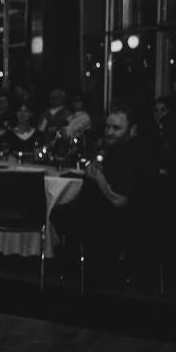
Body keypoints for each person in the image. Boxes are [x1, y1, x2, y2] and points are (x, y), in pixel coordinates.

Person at [51, 107, 160, 282]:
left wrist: (98, 177)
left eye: (116, 128)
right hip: (111, 219)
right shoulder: (122, 149)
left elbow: (120, 200)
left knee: (61, 214)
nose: (109, 132)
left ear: (133, 129)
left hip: (116, 223)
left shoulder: (132, 154)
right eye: (107, 127)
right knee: (63, 212)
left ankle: (82, 269)